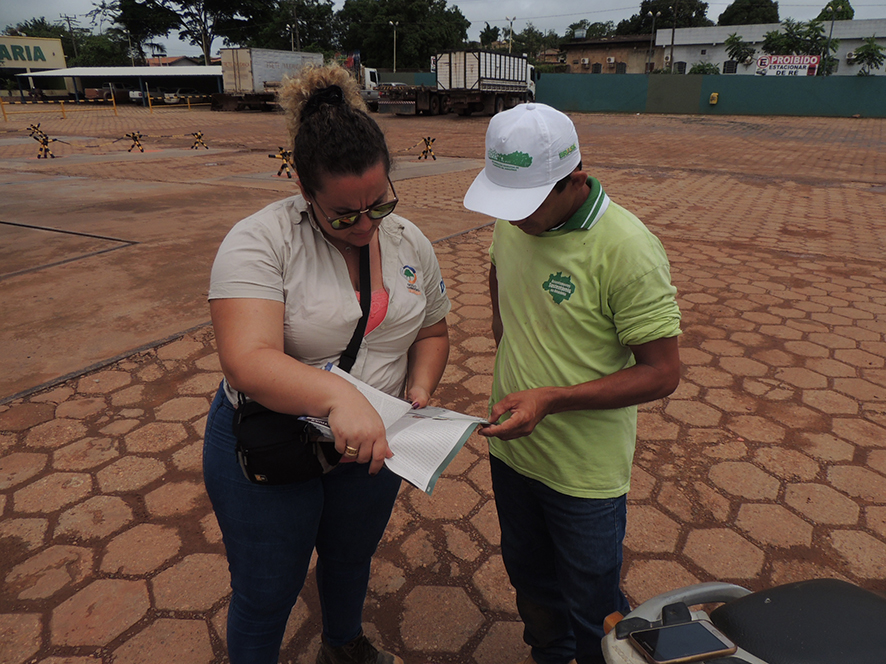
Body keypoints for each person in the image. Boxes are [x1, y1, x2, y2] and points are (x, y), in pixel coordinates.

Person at [203, 64, 451, 664]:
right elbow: (247, 360)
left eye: (379, 204)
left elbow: (433, 330)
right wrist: (342, 398)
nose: (365, 226)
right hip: (271, 443)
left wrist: (420, 385)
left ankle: (343, 646)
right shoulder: (260, 241)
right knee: (267, 591)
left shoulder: (409, 241)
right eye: (343, 215)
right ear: (304, 189)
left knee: (350, 559)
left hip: (371, 446)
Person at [463, 103, 682, 664]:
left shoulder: (628, 249)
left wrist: (552, 398)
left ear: (575, 179)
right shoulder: (514, 218)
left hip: (584, 473)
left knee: (593, 603)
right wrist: (503, 330)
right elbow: (499, 267)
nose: (514, 219)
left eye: (527, 205)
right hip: (513, 453)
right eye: (506, 203)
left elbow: (663, 372)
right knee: (531, 580)